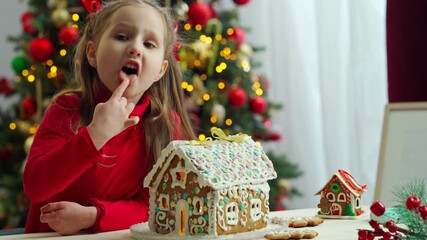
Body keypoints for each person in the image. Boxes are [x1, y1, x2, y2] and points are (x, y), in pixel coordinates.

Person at [23, 0, 195, 235]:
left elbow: (155, 206)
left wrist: (92, 216)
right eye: (122, 36)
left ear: (160, 71)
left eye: (149, 43)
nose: (136, 48)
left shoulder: (166, 126)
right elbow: (35, 186)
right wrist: (94, 135)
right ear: (92, 53)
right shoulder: (66, 110)